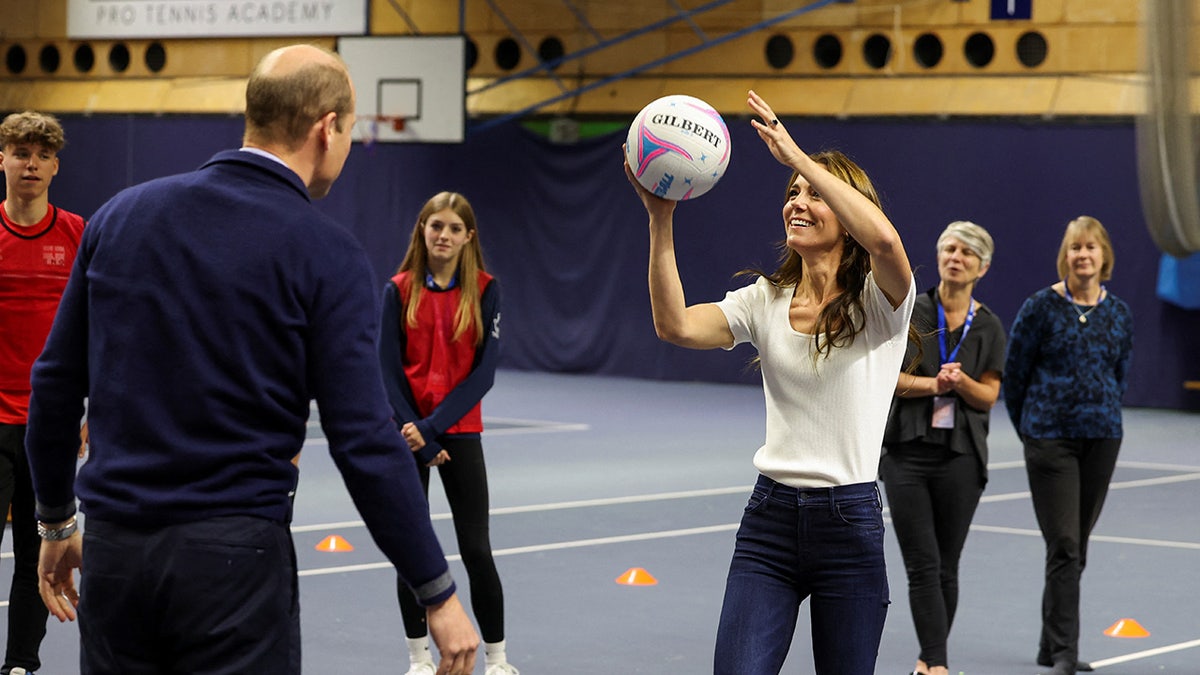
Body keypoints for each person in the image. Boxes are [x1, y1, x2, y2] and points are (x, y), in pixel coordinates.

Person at [23, 44, 479, 675]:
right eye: (351, 129)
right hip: (234, 568)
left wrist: (52, 522)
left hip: (115, 559)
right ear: (327, 127)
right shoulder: (327, 252)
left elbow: (52, 385)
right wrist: (437, 589)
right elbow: (365, 441)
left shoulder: (118, 217)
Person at [626, 89, 916, 675]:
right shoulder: (764, 300)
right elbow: (675, 324)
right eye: (791, 194)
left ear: (847, 209)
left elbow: (884, 241)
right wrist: (661, 219)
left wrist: (799, 160)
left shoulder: (882, 303)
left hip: (849, 524)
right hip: (770, 524)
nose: (797, 202)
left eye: (814, 195)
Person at [377, 191, 517, 675]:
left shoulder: (485, 290)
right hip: (407, 437)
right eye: (436, 226)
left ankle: (497, 660)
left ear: (468, 237)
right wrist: (415, 431)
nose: (444, 235)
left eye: (454, 229)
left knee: (477, 549)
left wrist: (433, 430)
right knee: (411, 548)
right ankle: (418, 660)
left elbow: (484, 375)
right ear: (422, 229)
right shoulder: (396, 291)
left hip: (456, 435)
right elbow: (387, 372)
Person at [1003, 216, 1133, 675]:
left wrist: (1103, 413)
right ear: (1066, 255)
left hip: (1101, 438)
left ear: (1104, 257)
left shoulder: (1118, 313)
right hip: (1048, 438)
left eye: (1091, 247)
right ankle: (1064, 653)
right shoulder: (1039, 307)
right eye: (1075, 247)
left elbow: (1119, 374)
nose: (1083, 255)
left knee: (1076, 546)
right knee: (1063, 541)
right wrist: (1031, 430)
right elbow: (1014, 375)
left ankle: (1047, 643)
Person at [880, 221, 1006, 675]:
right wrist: (935, 384)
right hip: (906, 452)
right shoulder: (910, 312)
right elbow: (887, 379)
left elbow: (989, 394)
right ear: (938, 257)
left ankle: (929, 658)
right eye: (949, 249)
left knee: (947, 566)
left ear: (982, 267)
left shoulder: (988, 325)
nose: (956, 257)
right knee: (922, 563)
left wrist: (962, 382)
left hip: (961, 456)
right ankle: (936, 662)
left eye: (967, 253)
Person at [0, 111, 86, 675]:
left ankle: (20, 665)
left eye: (41, 155)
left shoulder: (78, 234)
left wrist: (91, 412)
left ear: (54, 166)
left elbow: (98, 327)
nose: (30, 163)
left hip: (50, 426)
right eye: (19, 152)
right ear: (1, 159)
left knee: (39, 552)